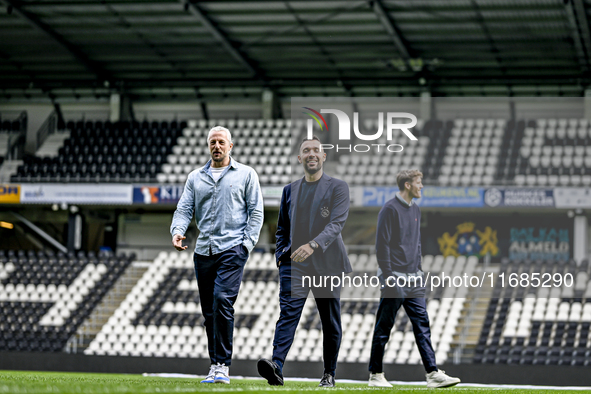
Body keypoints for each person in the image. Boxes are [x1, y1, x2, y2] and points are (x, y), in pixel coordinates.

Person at [170, 126, 263, 384]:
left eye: (221, 142)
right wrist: (178, 231)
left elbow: (256, 212)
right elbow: (184, 209)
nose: (217, 146)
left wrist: (246, 245)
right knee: (209, 312)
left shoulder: (246, 174)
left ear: (230, 146)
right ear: (208, 145)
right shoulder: (195, 178)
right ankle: (214, 365)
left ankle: (223, 365)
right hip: (203, 251)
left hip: (233, 248)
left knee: (222, 300)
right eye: (213, 142)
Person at [257, 136, 351, 388]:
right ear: (300, 158)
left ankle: (328, 374)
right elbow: (281, 228)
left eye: (316, 150)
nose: (311, 154)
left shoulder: (338, 187)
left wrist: (313, 245)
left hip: (327, 263)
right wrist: (281, 256)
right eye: (306, 150)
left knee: (329, 320)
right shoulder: (289, 190)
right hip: (294, 264)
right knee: (288, 313)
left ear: (323, 156)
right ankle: (276, 365)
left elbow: (336, 224)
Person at [368, 169, 461, 388]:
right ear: (408, 185)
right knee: (384, 327)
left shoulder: (416, 209)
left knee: (422, 325)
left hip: (414, 280)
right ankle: (375, 375)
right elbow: (382, 246)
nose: (422, 187)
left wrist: (419, 271)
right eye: (419, 183)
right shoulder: (389, 209)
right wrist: (389, 276)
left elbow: (416, 243)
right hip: (394, 278)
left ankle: (432, 374)